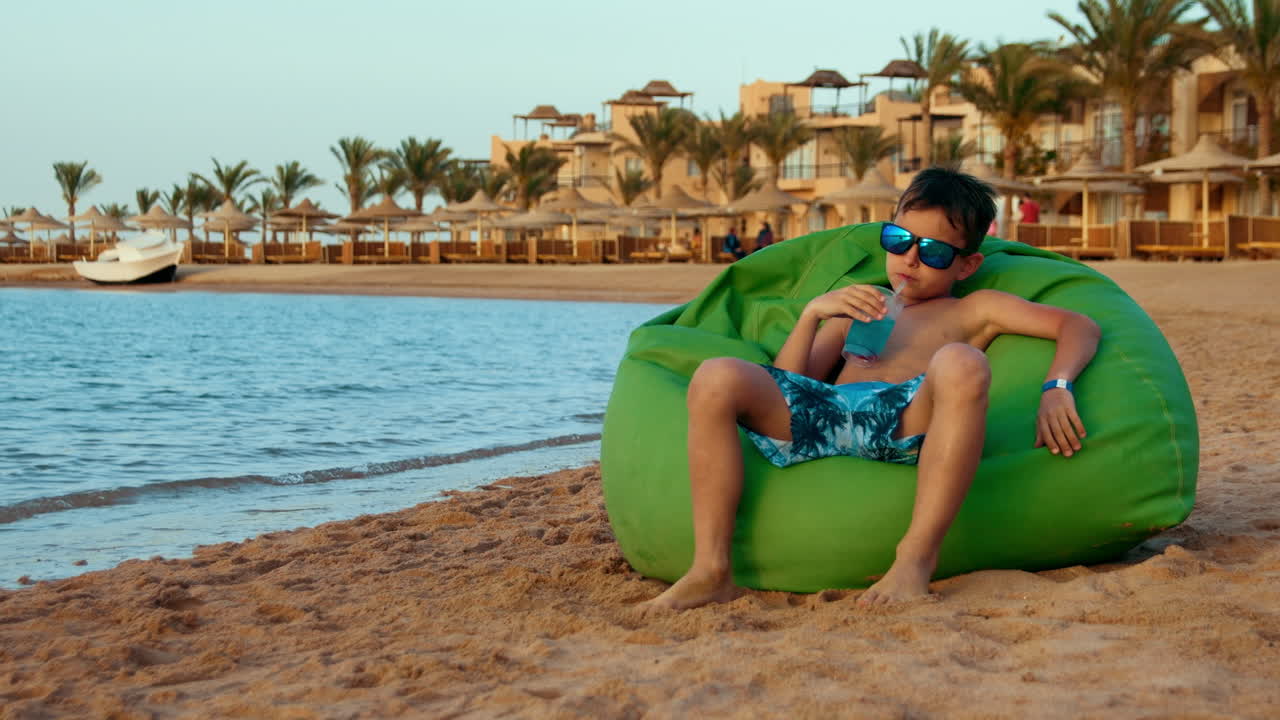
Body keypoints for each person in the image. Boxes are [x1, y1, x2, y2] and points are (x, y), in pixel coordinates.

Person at [643, 166, 1100, 612]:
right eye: (899, 240)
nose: (911, 259)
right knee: (715, 375)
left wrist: (1057, 386)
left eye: (934, 252)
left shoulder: (975, 309)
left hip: (904, 417)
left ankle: (914, 561)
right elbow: (790, 383)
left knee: (962, 361)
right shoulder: (862, 304)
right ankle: (711, 569)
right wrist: (813, 315)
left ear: (967, 265)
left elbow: (1078, 325)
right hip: (823, 415)